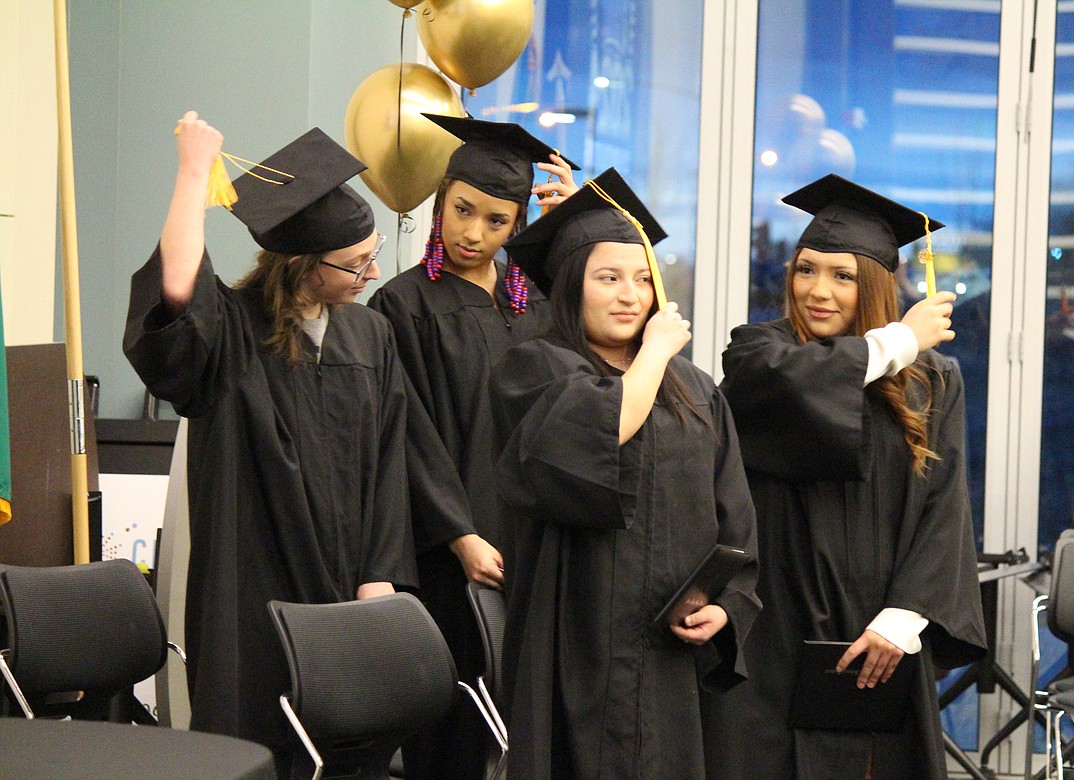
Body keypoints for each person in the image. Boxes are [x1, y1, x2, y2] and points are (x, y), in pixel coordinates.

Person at [123, 113, 476, 771]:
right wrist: (194, 173)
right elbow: (174, 290)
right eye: (356, 263)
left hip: (351, 596)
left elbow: (388, 464)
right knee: (257, 744)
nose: (371, 274)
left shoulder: (368, 338)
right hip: (254, 597)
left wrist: (381, 575)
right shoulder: (231, 336)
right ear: (304, 266)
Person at [703, 174, 986, 779]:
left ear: (877, 285)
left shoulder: (932, 381)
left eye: (843, 276)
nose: (818, 291)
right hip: (767, 629)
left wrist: (906, 618)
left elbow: (944, 507)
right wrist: (898, 340)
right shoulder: (757, 353)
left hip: (873, 633)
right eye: (806, 270)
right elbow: (786, 383)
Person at [491, 169, 761, 779]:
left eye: (643, 279)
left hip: (671, 658)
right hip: (576, 646)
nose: (630, 295)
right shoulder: (535, 368)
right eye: (608, 278)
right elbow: (596, 430)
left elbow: (735, 519)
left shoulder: (694, 390)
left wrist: (725, 605)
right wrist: (657, 352)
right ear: (569, 286)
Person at [366, 114, 580, 779]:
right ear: (441, 198)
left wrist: (568, 231)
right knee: (456, 725)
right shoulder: (401, 306)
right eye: (463, 210)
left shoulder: (536, 304)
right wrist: (458, 534)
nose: (472, 233)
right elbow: (408, 432)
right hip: (451, 554)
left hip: (536, 546)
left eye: (496, 221)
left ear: (517, 225)